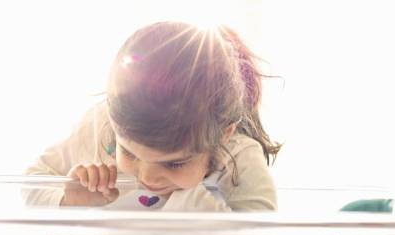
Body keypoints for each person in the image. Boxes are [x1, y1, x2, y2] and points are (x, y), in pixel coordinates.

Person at [24, 21, 281, 211]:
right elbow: (32, 183)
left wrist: (196, 207)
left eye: (174, 163)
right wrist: (69, 200)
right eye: (130, 153)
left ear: (224, 135)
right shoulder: (102, 126)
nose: (147, 177)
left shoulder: (238, 157)